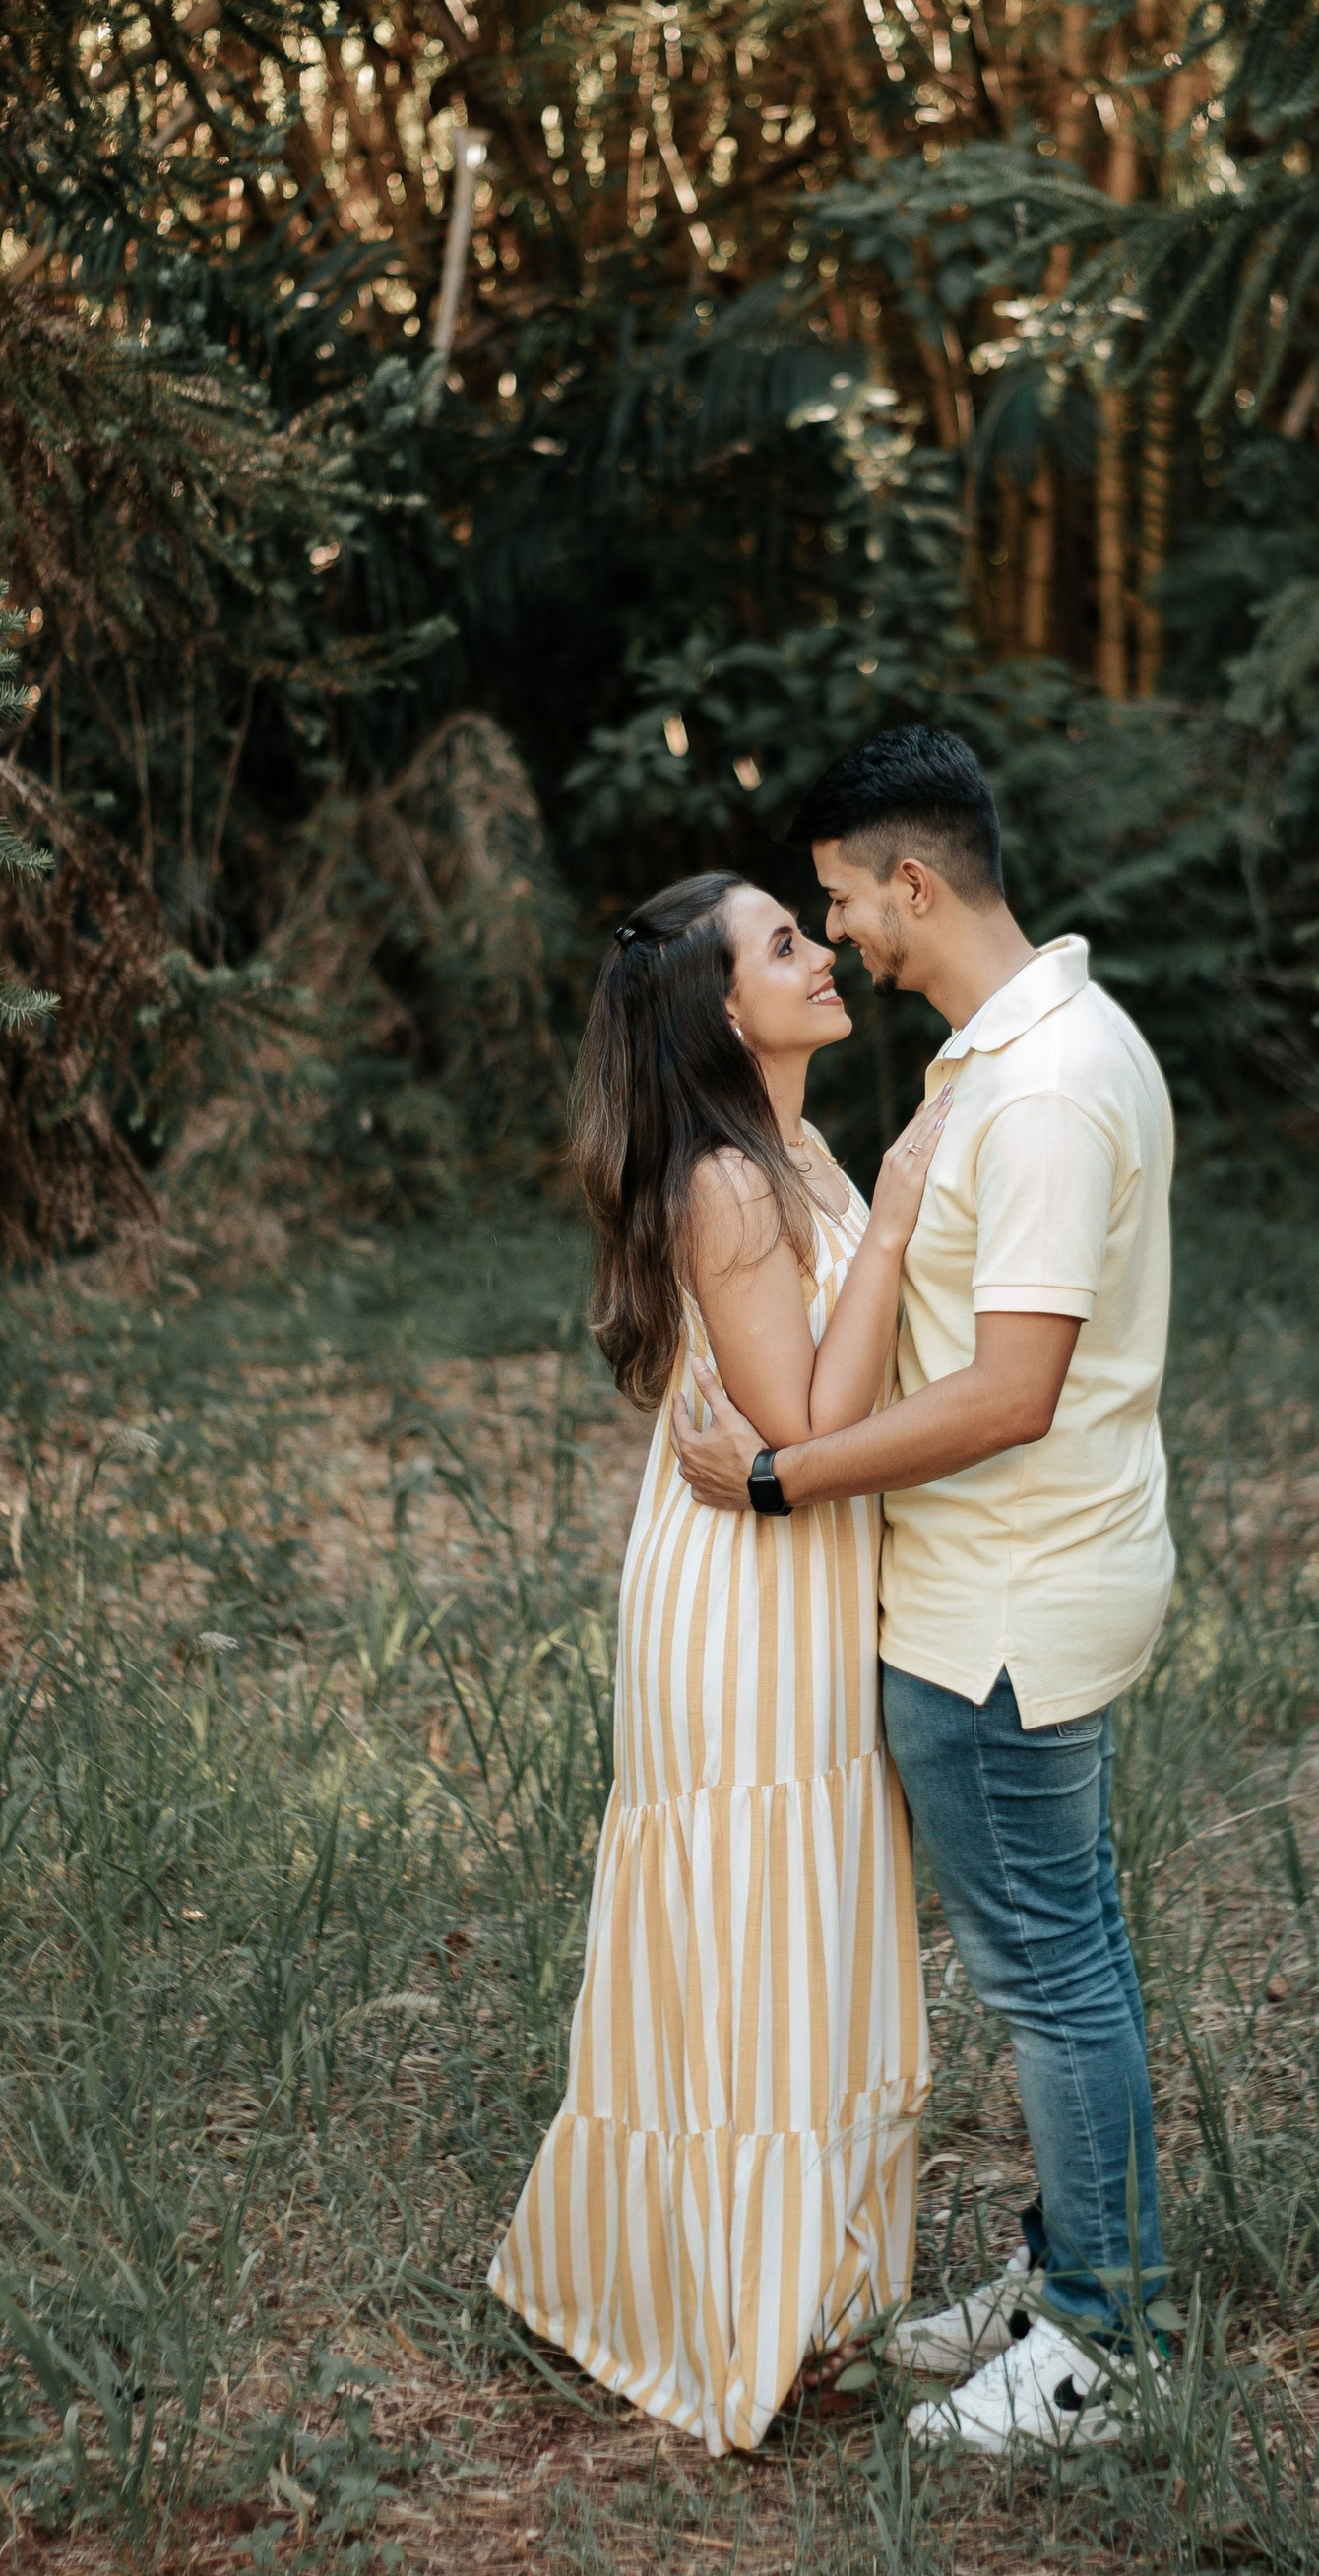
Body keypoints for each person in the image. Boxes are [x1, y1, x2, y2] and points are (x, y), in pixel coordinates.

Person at [671, 727, 1174, 2456]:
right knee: (1070, 1944)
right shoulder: (1032, 1046)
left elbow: (1010, 1389)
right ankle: (1071, 2269)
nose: (842, 942)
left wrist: (778, 1473)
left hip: (1004, 1608)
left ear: (914, 880)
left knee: (1049, 1976)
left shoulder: (1035, 1089)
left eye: (838, 903)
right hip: (1025, 1578)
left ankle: (1105, 2343)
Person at [489, 869, 951, 2453]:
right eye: (782, 946)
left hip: (797, 1566)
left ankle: (800, 2293)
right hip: (748, 1598)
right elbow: (813, 1419)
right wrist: (896, 1211)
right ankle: (739, 2308)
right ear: (719, 1007)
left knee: (801, 1921)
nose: (821, 956)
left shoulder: (784, 1148)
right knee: (763, 1927)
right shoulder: (732, 1188)